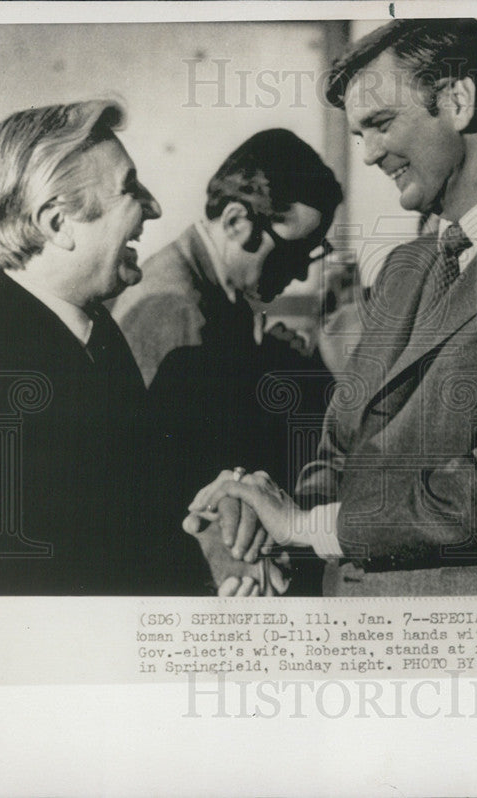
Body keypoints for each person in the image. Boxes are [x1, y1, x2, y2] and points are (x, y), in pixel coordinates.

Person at [187, 18, 477, 597]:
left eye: (381, 124)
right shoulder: (405, 267)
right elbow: (340, 451)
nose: (367, 155)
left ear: (459, 101)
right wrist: (276, 534)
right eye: (359, 132)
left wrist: (305, 524)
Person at [0, 100, 162, 594]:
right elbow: (34, 605)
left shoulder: (91, 325)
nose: (154, 207)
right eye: (130, 189)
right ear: (57, 224)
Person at [111, 129, 341, 594]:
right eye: (294, 250)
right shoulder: (174, 311)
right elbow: (172, 493)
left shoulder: (219, 297)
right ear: (236, 221)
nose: (299, 272)